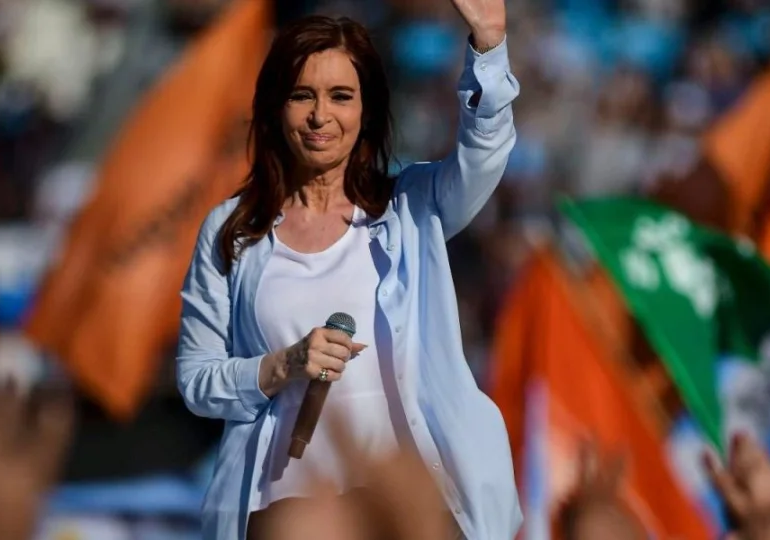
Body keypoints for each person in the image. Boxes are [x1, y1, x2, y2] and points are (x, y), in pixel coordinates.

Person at [176, 1, 521, 538]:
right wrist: (282, 365)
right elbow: (197, 380)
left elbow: (484, 152)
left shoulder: (413, 206)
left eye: (341, 96)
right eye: (302, 96)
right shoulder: (232, 229)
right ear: (275, 107)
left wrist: (490, 47)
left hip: (405, 509)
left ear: (368, 111)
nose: (320, 116)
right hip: (286, 513)